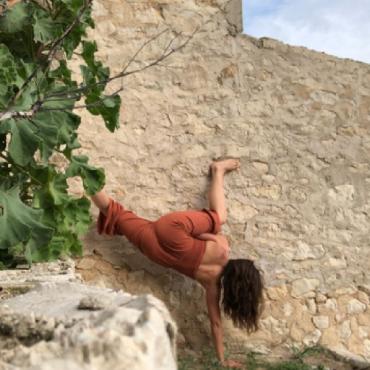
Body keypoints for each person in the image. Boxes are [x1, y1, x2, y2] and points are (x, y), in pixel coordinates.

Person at [91, 158, 264, 368]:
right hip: (154, 250)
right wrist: (222, 360)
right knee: (116, 213)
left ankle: (218, 170)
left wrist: (198, 240)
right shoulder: (212, 287)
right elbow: (216, 323)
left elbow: (204, 235)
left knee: (219, 218)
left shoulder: (222, 249)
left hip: (172, 229)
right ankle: (85, 176)